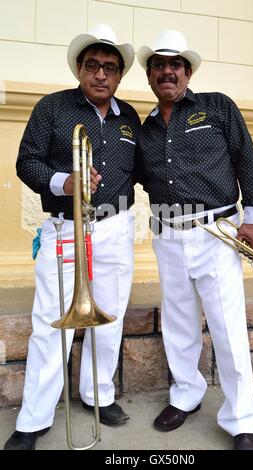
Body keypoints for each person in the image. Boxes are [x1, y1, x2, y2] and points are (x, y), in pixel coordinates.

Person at [4, 24, 140, 450]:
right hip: (66, 225)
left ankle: (98, 393)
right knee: (52, 321)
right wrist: (64, 182)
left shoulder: (130, 116)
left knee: (110, 314)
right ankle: (34, 418)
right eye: (93, 66)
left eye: (110, 68)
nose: (101, 74)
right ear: (80, 68)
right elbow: (27, 162)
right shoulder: (53, 108)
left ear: (120, 76)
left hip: (117, 226)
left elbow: (139, 169)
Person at [136, 30, 253, 450]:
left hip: (218, 233)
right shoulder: (146, 128)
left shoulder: (217, 107)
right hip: (167, 234)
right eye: (159, 65)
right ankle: (186, 394)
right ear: (151, 75)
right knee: (178, 323)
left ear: (187, 71)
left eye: (175, 64)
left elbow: (246, 156)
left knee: (228, 328)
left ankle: (242, 418)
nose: (167, 71)